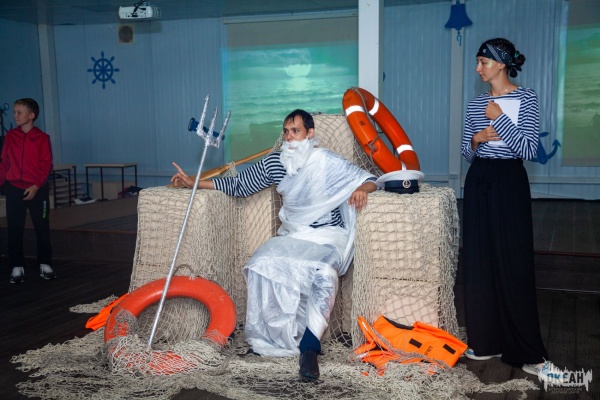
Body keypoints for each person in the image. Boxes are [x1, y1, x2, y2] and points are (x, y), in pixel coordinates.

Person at [172, 109, 378, 380]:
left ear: (310, 134)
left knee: (325, 273)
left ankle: (309, 347)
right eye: (286, 132)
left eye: (296, 131)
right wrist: (194, 182)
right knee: (260, 263)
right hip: (294, 235)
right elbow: (240, 185)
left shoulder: (326, 161)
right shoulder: (275, 163)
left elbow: (369, 179)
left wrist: (362, 189)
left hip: (328, 236)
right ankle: (267, 339)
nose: (289, 137)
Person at [460, 38, 563, 382]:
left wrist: (500, 118)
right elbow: (466, 151)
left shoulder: (526, 97)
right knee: (479, 259)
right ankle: (485, 342)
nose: (478, 68)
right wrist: (476, 140)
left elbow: (529, 149)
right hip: (479, 179)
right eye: (478, 62)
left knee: (513, 261)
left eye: (484, 62)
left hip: (509, 180)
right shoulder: (476, 103)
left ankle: (529, 354)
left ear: (502, 64)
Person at [0, 98, 56, 283]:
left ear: (31, 115)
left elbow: (46, 165)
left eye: (19, 112)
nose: (15, 115)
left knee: (42, 228)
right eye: (14, 112)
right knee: (14, 228)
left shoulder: (42, 138)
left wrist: (36, 186)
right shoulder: (10, 137)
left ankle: (45, 263)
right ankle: (17, 266)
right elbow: (4, 163)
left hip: (37, 190)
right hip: (14, 189)